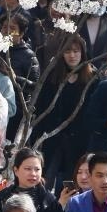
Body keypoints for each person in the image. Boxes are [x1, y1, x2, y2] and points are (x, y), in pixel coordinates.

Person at [31, 33, 95, 190]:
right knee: (45, 180)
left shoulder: (93, 79)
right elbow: (41, 110)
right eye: (68, 51)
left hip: (79, 140)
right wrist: (36, 139)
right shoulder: (52, 77)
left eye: (76, 51)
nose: (72, 55)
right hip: (53, 137)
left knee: (72, 183)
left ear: (83, 53)